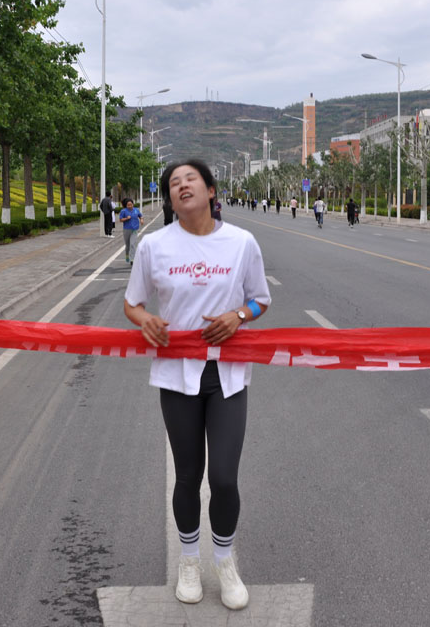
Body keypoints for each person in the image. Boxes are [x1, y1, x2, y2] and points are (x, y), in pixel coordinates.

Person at [124, 158, 270, 610]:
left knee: (223, 477)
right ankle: (190, 560)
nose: (182, 185)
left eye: (191, 179)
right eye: (174, 182)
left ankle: (224, 562)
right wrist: (145, 320)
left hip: (227, 376)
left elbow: (260, 300)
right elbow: (132, 304)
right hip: (176, 376)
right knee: (188, 475)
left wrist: (238, 315)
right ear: (170, 198)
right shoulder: (154, 246)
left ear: (210, 191)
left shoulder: (241, 243)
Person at [119, 198, 143, 264]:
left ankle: (132, 259)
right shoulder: (123, 211)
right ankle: (127, 254)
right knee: (128, 245)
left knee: (132, 244)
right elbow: (120, 220)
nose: (130, 206)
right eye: (128, 205)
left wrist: (141, 219)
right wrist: (126, 218)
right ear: (126, 205)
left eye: (131, 204)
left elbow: (140, 215)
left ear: (133, 204)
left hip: (134, 229)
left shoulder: (136, 210)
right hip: (126, 229)